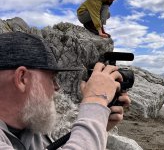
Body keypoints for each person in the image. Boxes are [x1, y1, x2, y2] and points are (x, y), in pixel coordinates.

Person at [0, 32, 130, 149]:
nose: (57, 87)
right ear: (22, 78)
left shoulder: (31, 132)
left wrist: (99, 125)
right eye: (52, 78)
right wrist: (97, 99)